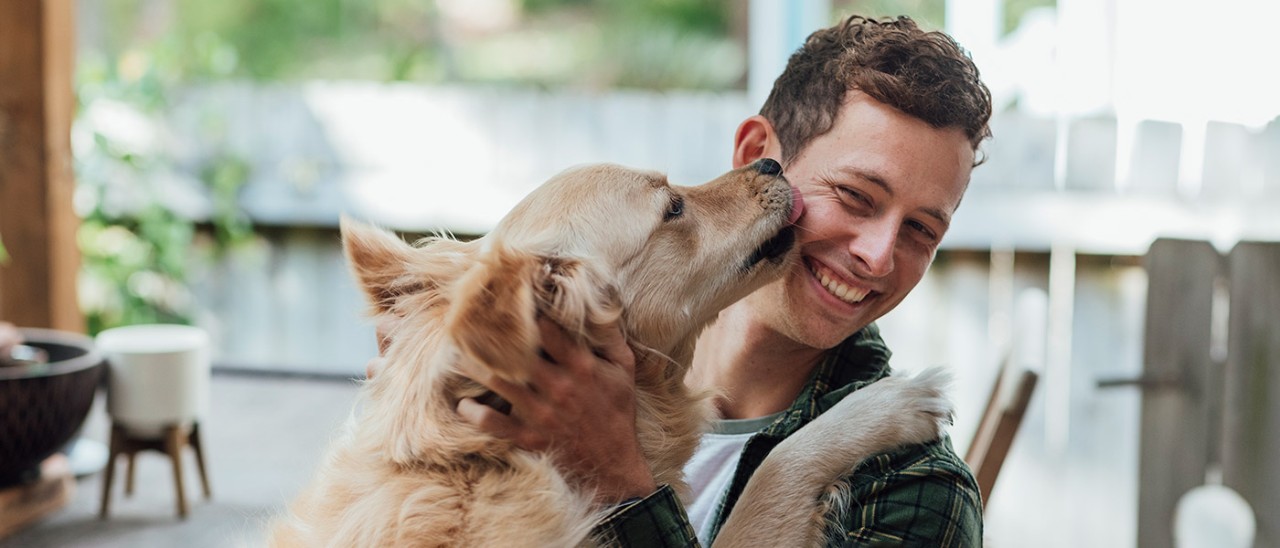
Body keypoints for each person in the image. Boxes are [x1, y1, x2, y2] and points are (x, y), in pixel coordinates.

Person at [375, 13, 991, 547]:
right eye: (855, 196)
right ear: (757, 153)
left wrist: (619, 482)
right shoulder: (497, 403)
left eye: (921, 231)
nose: (878, 257)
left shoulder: (913, 491)